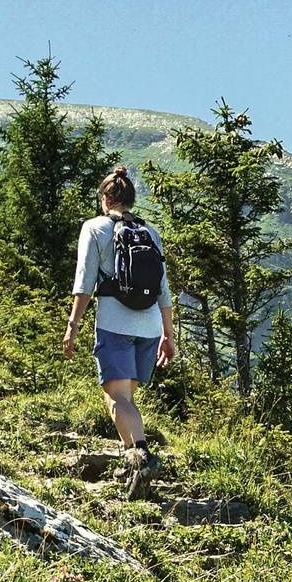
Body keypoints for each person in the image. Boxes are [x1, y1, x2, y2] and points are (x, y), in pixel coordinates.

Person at [60, 166, 176, 496]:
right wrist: (168, 335)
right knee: (125, 400)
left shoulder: (94, 228)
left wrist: (73, 326)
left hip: (115, 323)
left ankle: (142, 456)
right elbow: (164, 289)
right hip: (150, 325)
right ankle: (136, 472)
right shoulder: (150, 232)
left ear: (105, 198)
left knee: (117, 399)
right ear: (130, 199)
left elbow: (84, 284)